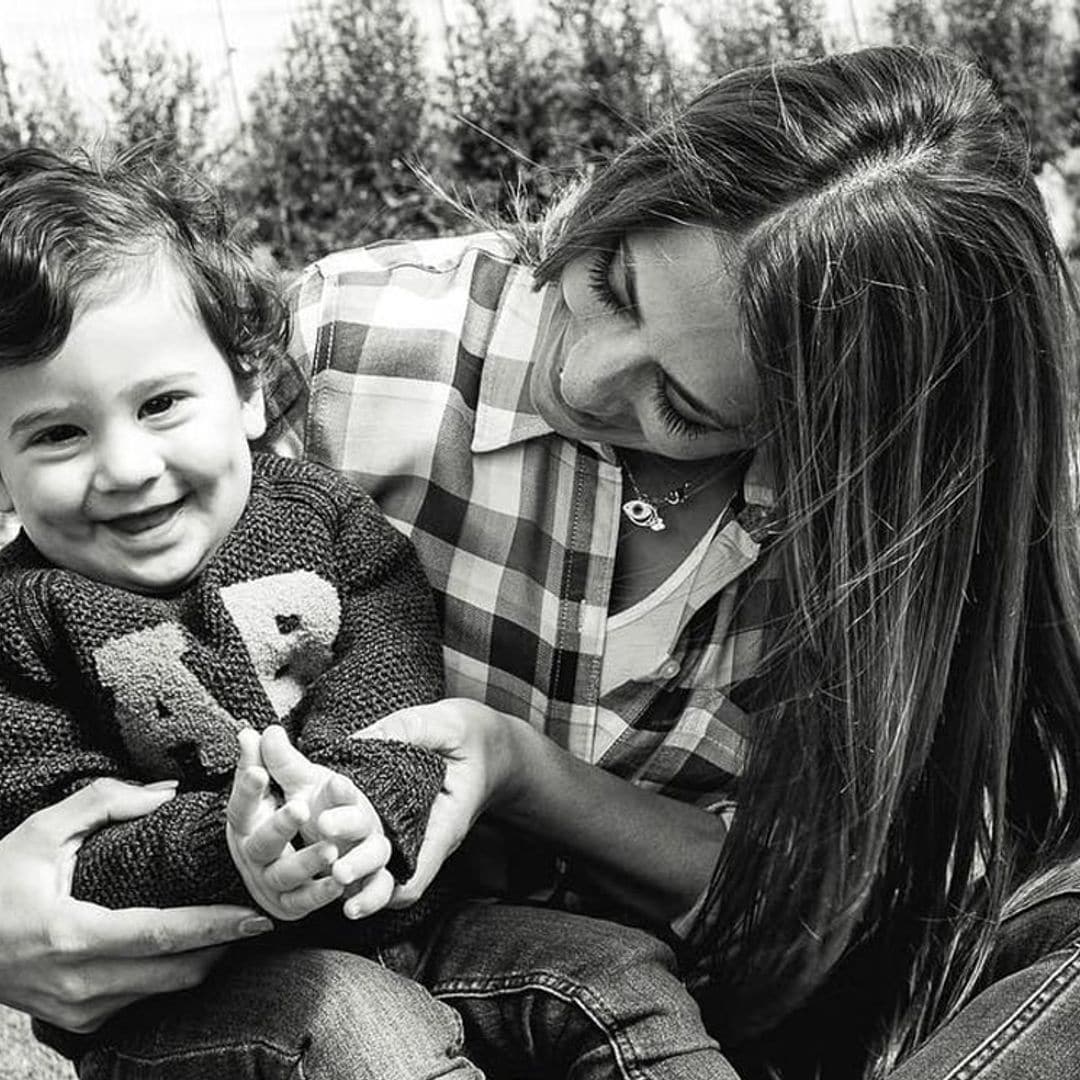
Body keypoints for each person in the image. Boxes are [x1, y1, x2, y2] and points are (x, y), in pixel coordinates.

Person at [6, 42, 1080, 1080]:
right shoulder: (351, 344)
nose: (589, 371)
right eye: (611, 285)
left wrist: (523, 772)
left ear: (829, 434)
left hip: (643, 1014)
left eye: (687, 405)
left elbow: (825, 906)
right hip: (309, 1002)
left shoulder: (879, 546)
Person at [0, 147, 468, 1065]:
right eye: (58, 433)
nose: (127, 468)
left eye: (163, 403)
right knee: (365, 1033)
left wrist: (353, 804)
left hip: (404, 907)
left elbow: (397, 686)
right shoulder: (20, 622)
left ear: (250, 388)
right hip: (186, 991)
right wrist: (237, 846)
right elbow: (51, 832)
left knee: (611, 973)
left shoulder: (323, 520)